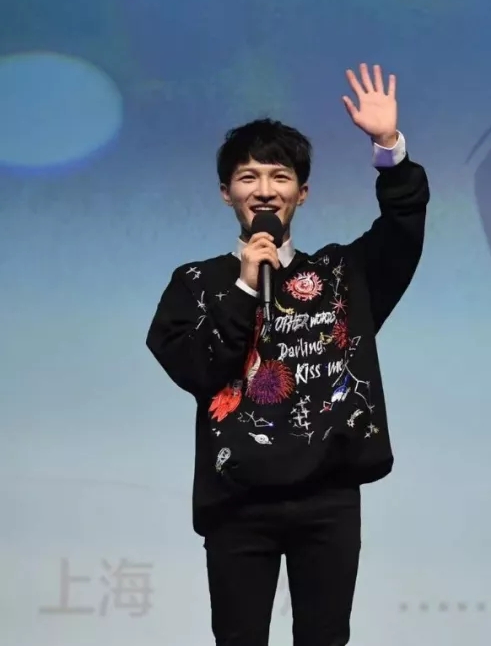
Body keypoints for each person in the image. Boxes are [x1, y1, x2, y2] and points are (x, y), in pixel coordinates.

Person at [145, 63, 428, 646]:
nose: (265, 189)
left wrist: (389, 147)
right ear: (226, 192)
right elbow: (196, 370)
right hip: (236, 500)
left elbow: (404, 227)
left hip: (326, 498)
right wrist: (245, 286)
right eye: (248, 177)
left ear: (302, 192)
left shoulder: (343, 276)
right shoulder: (195, 284)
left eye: (281, 176)